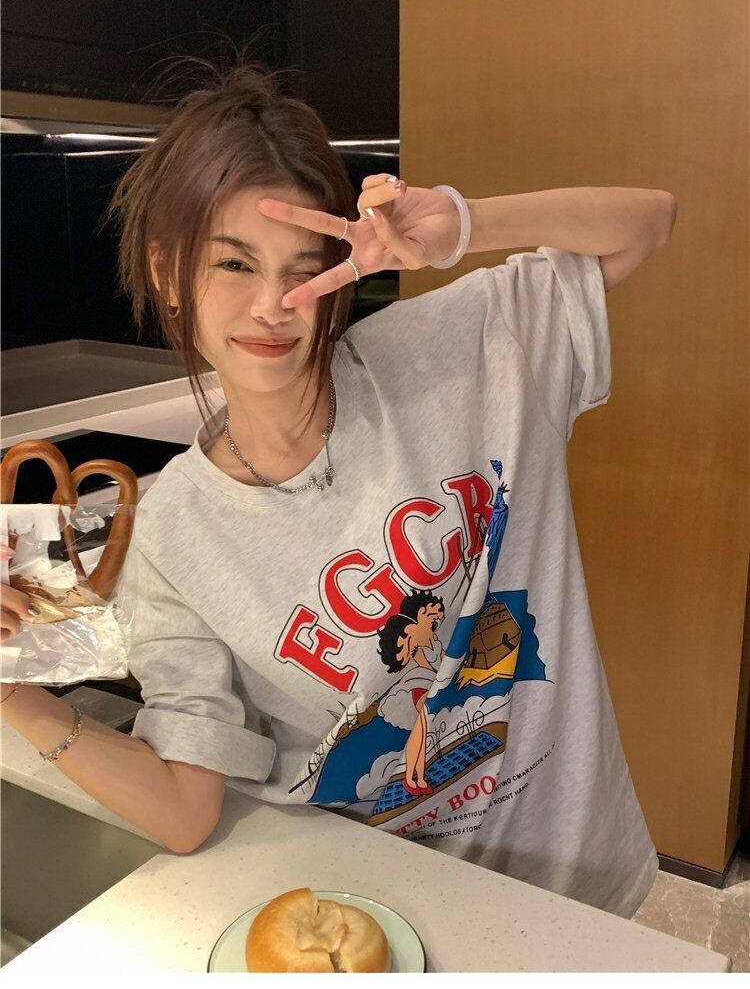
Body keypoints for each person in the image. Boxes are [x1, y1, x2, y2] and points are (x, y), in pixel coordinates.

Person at [0, 53, 677, 920]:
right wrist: (14, 694)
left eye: (303, 267)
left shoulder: (461, 348)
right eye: (234, 264)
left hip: (570, 882)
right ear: (168, 272)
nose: (272, 305)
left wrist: (464, 223)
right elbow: (184, 809)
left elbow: (647, 221)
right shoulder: (171, 535)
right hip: (384, 913)